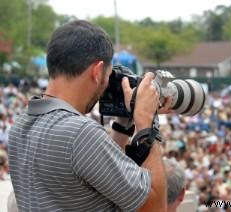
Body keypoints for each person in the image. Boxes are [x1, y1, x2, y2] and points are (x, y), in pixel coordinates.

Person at [8, 20, 172, 211]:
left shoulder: (21, 125)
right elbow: (156, 207)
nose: (106, 85)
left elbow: (99, 176)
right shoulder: (80, 134)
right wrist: (146, 122)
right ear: (96, 71)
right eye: (108, 76)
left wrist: (123, 123)